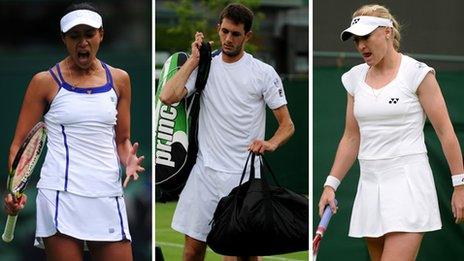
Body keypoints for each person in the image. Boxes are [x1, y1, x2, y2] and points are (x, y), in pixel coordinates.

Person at [318, 4, 464, 261]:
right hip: (370, 186)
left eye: (366, 36)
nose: (361, 45)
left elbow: (445, 132)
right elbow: (351, 136)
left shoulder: (417, 73)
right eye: (356, 39)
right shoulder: (354, 79)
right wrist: (331, 185)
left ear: (387, 32)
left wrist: (459, 186)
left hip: (409, 186)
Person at [3, 3, 144, 260]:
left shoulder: (120, 79)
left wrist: (128, 160)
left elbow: (122, 140)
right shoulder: (43, 82)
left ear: (101, 34)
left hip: (107, 193)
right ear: (64, 39)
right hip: (59, 194)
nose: (83, 43)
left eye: (89, 34)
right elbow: (19, 145)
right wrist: (15, 188)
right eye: (74, 36)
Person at [159, 3, 294, 261]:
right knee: (192, 251)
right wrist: (194, 61)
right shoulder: (204, 67)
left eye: (235, 34)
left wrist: (271, 143)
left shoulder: (263, 73)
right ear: (218, 29)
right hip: (205, 173)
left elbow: (287, 125)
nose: (228, 38)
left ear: (247, 36)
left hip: (244, 177)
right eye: (224, 32)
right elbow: (167, 96)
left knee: (241, 254)